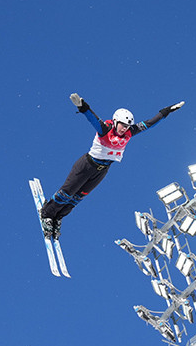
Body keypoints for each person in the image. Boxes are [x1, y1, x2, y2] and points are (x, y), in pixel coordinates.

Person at [40, 93, 184, 239]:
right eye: (122, 124)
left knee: (77, 198)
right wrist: (83, 106)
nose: (124, 128)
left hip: (101, 171)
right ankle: (47, 213)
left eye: (127, 126)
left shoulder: (129, 132)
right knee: (67, 193)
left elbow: (149, 123)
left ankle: (58, 217)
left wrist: (166, 111)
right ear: (115, 121)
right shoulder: (105, 129)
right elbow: (92, 119)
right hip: (86, 165)